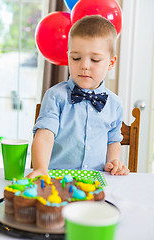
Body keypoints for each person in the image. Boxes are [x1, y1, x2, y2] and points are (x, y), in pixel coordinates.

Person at [27, 15, 129, 179]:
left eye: (95, 59)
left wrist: (114, 161)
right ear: (68, 56)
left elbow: (113, 140)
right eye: (76, 58)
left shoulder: (115, 104)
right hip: (57, 178)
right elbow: (45, 136)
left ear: (110, 63)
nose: (84, 65)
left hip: (96, 181)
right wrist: (40, 168)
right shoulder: (55, 96)